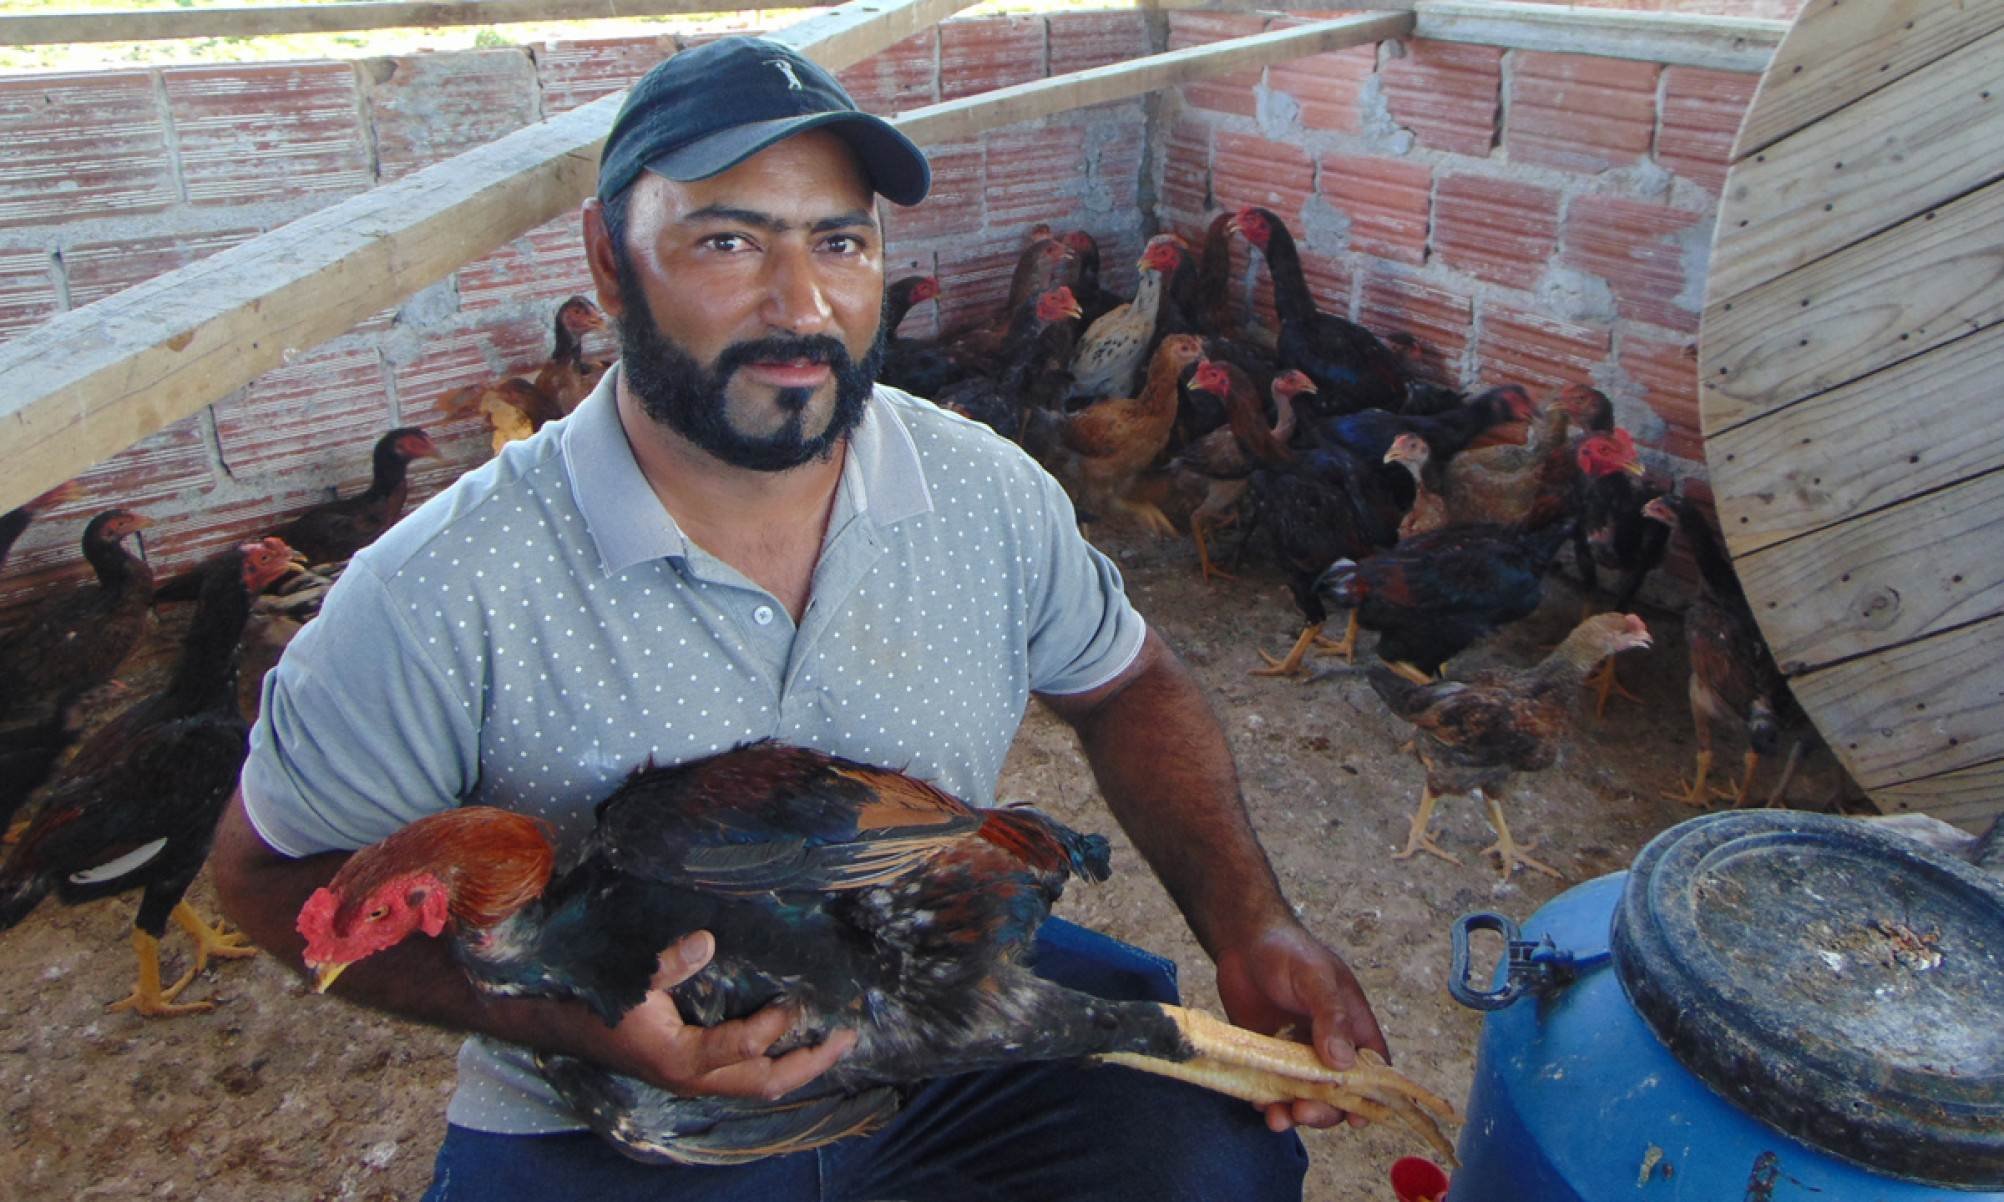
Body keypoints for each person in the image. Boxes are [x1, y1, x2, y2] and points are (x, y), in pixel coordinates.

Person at [211, 35, 1389, 1201]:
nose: (803, 303)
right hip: (612, 1108)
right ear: (610, 263)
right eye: (728, 240)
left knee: (1216, 1159)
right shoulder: (439, 587)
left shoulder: (985, 492)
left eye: (841, 241)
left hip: (929, 1023)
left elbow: (1126, 682)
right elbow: (265, 877)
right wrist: (580, 1014)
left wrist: (1250, 919)